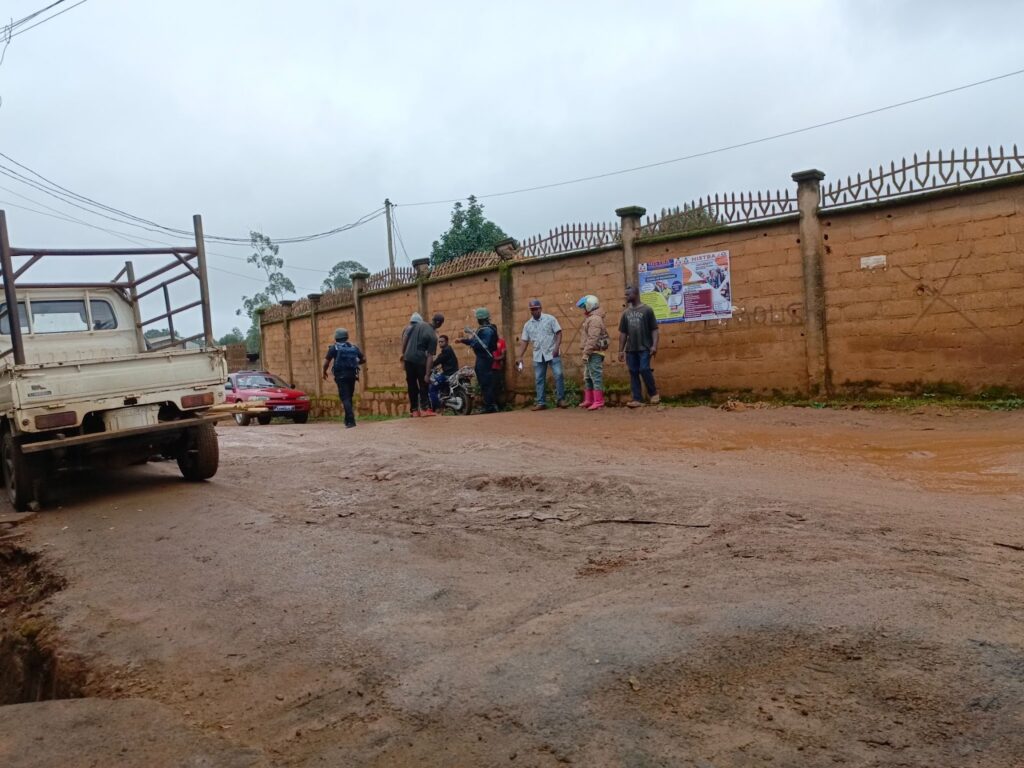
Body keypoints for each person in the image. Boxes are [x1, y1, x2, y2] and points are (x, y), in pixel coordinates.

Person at [514, 298, 566, 411]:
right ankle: (541, 402)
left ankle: (561, 399)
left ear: (540, 308)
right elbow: (524, 341)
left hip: (552, 352)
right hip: (538, 355)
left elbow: (559, 333)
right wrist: (520, 356)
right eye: (532, 309)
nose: (534, 311)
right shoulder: (528, 325)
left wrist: (557, 347)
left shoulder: (550, 319)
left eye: (536, 309)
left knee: (559, 374)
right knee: (539, 378)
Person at [618, 284, 660, 408]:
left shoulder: (647, 310)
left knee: (644, 369)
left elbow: (655, 330)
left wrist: (654, 345)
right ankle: (637, 399)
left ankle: (654, 394)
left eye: (628, 294)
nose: (626, 296)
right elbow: (623, 333)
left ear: (635, 294)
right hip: (631, 349)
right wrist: (620, 351)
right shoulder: (625, 313)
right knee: (633, 372)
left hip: (645, 347)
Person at [322, 328, 365, 428]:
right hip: (352, 375)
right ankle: (347, 420)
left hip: (340, 376)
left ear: (336, 338)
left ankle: (351, 421)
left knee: (345, 398)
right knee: (349, 397)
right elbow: (363, 359)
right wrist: (355, 363)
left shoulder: (334, 348)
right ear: (347, 337)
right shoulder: (353, 347)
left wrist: (324, 372)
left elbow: (326, 363)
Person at [458, 307, 498, 413]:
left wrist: (471, 342)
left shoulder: (486, 330)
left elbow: (482, 344)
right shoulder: (485, 329)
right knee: (484, 382)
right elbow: (475, 341)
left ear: (481, 319)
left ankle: (490, 406)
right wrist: (464, 340)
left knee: (485, 382)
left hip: (484, 359)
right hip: (483, 358)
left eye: (478, 318)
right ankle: (490, 404)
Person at [402, 312, 441, 417]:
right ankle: (425, 409)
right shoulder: (433, 336)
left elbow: (405, 340)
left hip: (408, 358)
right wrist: (427, 374)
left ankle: (414, 410)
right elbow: (429, 356)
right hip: (420, 360)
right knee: (423, 383)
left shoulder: (416, 325)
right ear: (439, 324)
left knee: (411, 385)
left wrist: (403, 354)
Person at [577, 294, 609, 411]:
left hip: (594, 352)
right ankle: (589, 400)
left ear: (590, 306)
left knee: (595, 376)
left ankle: (598, 401)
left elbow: (592, 338)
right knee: (588, 377)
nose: (583, 309)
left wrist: (586, 353)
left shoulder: (595, 319)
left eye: (584, 307)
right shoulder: (592, 318)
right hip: (591, 352)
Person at [428, 334, 459, 412]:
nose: (440, 343)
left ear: (447, 342)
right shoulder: (449, 349)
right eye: (439, 342)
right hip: (453, 373)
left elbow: (437, 361)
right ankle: (444, 396)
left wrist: (429, 366)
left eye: (442, 341)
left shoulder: (445, 351)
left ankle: (438, 407)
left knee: (432, 388)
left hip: (448, 374)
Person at [492, 335, 507, 409]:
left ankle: (500, 405)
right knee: (491, 387)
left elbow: (503, 356)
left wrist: (495, 359)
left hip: (498, 368)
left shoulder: (501, 341)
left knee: (499, 387)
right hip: (489, 369)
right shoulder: (488, 342)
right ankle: (494, 405)